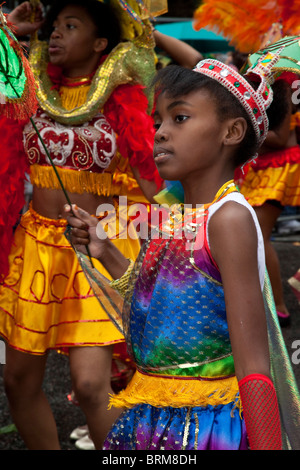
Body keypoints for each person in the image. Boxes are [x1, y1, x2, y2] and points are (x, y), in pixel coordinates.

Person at [65, 59, 300, 450]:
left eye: (180, 118)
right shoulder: (175, 214)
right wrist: (104, 251)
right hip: (153, 414)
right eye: (158, 120)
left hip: (206, 427)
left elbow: (254, 363)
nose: (159, 133)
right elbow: (161, 312)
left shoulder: (228, 219)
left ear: (232, 132)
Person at [0, 0, 163, 450]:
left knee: (92, 386)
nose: (55, 34)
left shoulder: (124, 99)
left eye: (70, 26)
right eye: (54, 26)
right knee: (16, 381)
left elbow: (155, 180)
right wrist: (10, 29)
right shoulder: (25, 89)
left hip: (95, 245)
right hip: (35, 247)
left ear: (100, 43)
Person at [238, 75, 300, 326]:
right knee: (252, 236)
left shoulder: (282, 87)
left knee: (259, 236)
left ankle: (279, 307)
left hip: (281, 167)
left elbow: (281, 137)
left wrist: (245, 131)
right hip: (261, 168)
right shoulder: (253, 84)